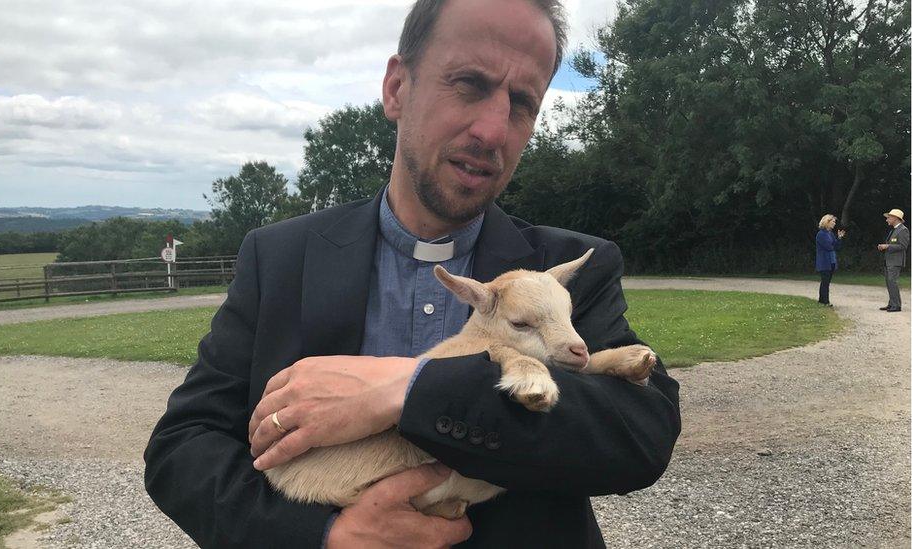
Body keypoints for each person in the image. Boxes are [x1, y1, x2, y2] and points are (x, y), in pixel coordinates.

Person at [144, 1, 681, 547]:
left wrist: (410, 389)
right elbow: (184, 446)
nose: (494, 130)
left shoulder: (569, 269)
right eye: (469, 83)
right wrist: (324, 536)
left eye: (522, 103)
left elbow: (640, 434)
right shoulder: (279, 256)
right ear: (398, 88)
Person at [877, 208, 909, 312]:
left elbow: (903, 246)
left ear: (896, 218)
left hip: (895, 261)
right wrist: (884, 247)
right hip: (889, 260)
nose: (887, 220)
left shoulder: (903, 230)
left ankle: (897, 305)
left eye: (889, 218)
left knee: (892, 282)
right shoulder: (894, 230)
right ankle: (892, 303)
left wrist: (887, 246)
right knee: (889, 282)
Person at [815, 214, 845, 306]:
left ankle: (821, 300)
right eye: (833, 221)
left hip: (831, 261)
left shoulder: (830, 234)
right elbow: (829, 247)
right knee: (825, 281)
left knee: (826, 281)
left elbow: (837, 246)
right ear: (827, 222)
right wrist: (834, 245)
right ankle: (825, 301)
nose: (834, 223)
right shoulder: (821, 234)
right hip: (824, 261)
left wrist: (839, 238)